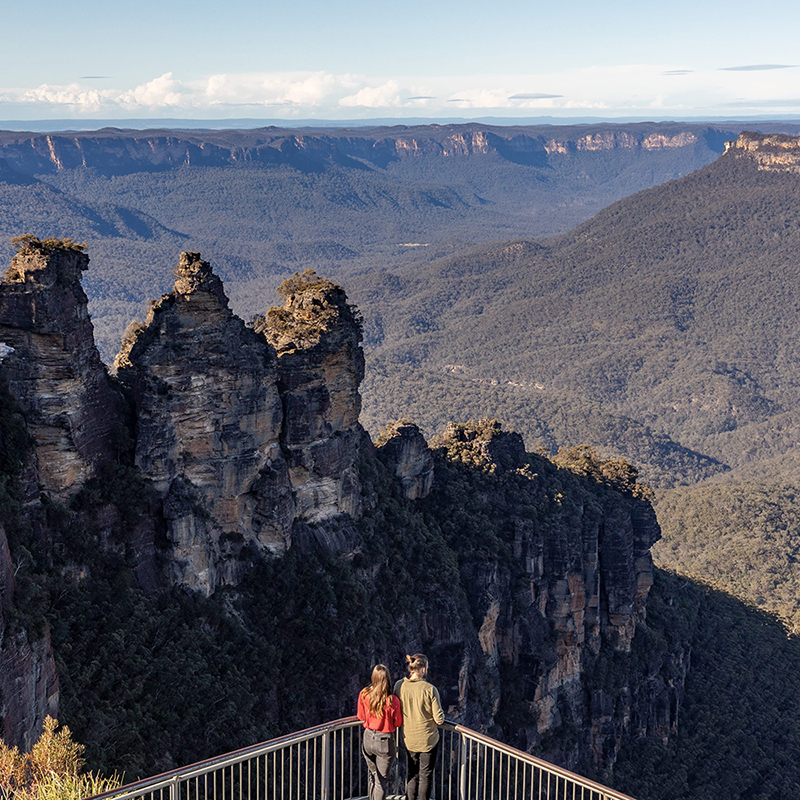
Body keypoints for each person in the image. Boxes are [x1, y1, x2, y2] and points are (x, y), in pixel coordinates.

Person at [393, 653, 445, 800]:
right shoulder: (430, 689)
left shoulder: (399, 686)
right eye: (427, 667)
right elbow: (439, 719)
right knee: (425, 776)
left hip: (409, 739)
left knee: (412, 774)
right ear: (422, 669)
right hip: (428, 741)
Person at [357, 664, 403, 800]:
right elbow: (398, 723)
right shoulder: (392, 701)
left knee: (372, 775)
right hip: (384, 742)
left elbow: (361, 716)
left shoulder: (364, 694)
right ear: (387, 679)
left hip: (368, 739)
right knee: (381, 782)